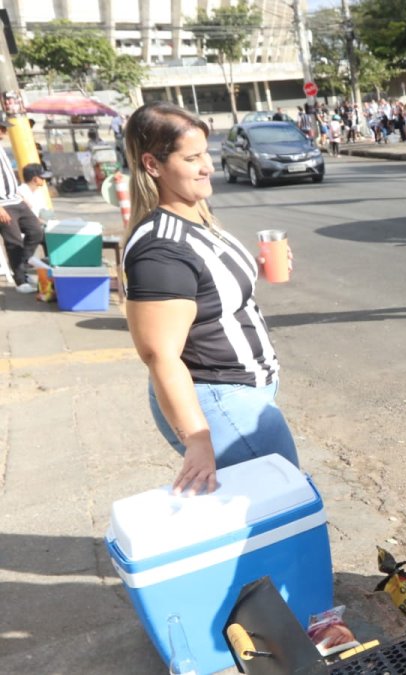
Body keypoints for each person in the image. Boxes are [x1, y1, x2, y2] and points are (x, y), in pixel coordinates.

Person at [120, 101, 300, 496]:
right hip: (219, 399)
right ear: (153, 165)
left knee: (270, 510)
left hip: (245, 392)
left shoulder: (195, 213)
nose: (208, 167)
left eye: (206, 153)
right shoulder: (159, 248)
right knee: (281, 504)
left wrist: (253, 266)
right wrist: (198, 439)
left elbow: (204, 285)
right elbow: (159, 355)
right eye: (192, 157)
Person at [0, 118, 42, 293]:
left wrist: (19, 196)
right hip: (3, 203)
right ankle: (20, 280)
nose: (4, 133)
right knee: (13, 241)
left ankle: (23, 267)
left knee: (36, 231)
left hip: (15, 199)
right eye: (2, 129)